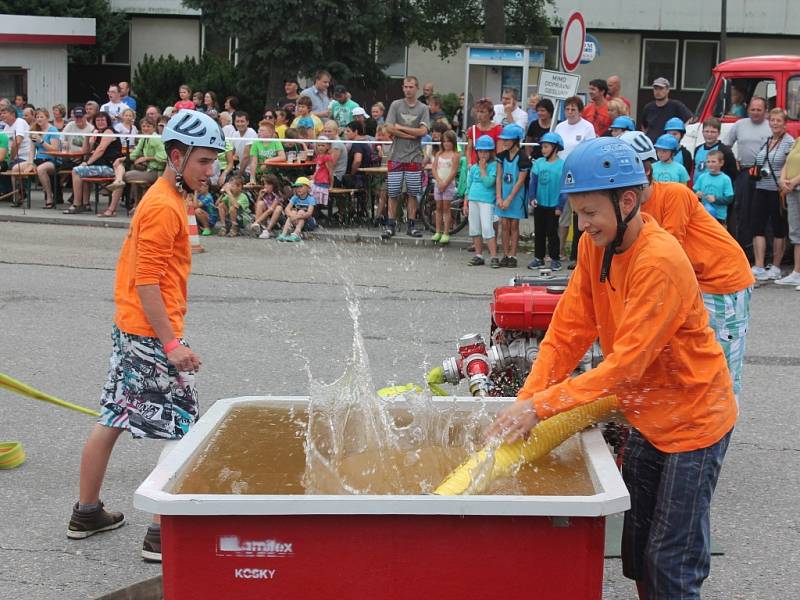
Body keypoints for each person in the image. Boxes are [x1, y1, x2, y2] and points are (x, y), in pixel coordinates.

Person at [489, 136, 737, 600]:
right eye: (576, 214)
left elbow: (625, 366)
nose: (581, 226)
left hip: (694, 422)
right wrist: (526, 401)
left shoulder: (659, 260)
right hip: (648, 412)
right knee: (640, 551)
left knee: (672, 561)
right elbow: (567, 333)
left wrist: (541, 408)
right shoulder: (595, 247)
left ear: (627, 201)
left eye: (589, 214)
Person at [67, 110, 224, 562]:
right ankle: (160, 535)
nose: (210, 171)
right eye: (203, 162)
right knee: (183, 429)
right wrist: (172, 345)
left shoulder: (169, 198)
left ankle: (87, 512)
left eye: (212, 162)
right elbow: (147, 282)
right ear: (177, 156)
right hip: (152, 335)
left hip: (133, 328)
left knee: (114, 416)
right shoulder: (161, 206)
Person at [622, 130, 754, 402]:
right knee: (687, 362)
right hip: (693, 283)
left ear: (646, 170)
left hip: (721, 281)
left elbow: (670, 254)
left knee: (720, 369)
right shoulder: (631, 211)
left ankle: (718, 433)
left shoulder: (675, 195)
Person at [381, 76, 430, 239]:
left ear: (417, 88)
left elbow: (423, 131)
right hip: (396, 156)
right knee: (393, 192)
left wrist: (401, 128)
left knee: (412, 193)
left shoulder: (423, 108)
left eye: (411, 87)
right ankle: (390, 225)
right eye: (405, 87)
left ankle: (411, 225)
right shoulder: (396, 105)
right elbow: (389, 128)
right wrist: (410, 134)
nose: (408, 89)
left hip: (414, 157)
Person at [751, 108, 794, 281]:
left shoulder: (789, 142)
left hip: (777, 191)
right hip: (761, 188)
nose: (775, 123)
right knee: (757, 227)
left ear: (785, 124)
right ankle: (759, 265)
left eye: (778, 121)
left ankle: (776, 267)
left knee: (778, 229)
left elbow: (789, 166)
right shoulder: (767, 140)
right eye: (773, 120)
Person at [723, 97, 771, 249]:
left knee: (764, 212)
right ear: (748, 109)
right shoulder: (739, 125)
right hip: (744, 172)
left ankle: (765, 253)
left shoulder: (771, 125)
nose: (755, 113)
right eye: (753, 109)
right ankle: (744, 250)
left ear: (765, 111)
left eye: (759, 110)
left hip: (765, 174)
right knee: (743, 211)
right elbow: (725, 145)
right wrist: (734, 160)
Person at [554, 96, 596, 265]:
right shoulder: (560, 126)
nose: (570, 112)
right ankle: (560, 249)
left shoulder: (587, 127)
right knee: (562, 213)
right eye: (567, 109)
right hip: (561, 172)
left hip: (579, 173)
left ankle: (578, 252)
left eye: (573, 109)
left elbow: (590, 150)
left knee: (578, 213)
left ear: (580, 111)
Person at [105, 116, 167, 216]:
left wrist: (147, 158)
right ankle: (121, 185)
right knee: (120, 166)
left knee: (124, 176)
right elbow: (134, 155)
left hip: (156, 172)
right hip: (148, 170)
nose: (146, 128)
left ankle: (113, 207)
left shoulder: (156, 139)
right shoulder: (144, 138)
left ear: (154, 127)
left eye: (148, 126)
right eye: (143, 126)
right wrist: (121, 159)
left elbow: (164, 157)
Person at [63, 112, 122, 214]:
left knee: (76, 171)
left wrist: (87, 163)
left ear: (107, 121)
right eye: (98, 120)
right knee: (82, 172)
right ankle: (86, 204)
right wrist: (87, 137)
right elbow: (85, 151)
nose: (100, 122)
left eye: (102, 120)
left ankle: (77, 204)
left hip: (109, 166)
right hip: (98, 165)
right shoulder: (97, 133)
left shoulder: (109, 131)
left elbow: (100, 150)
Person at [527, 132, 565, 270]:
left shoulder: (562, 165)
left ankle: (555, 258)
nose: (543, 150)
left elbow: (564, 188)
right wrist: (532, 198)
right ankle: (539, 258)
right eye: (542, 147)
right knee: (539, 232)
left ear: (555, 148)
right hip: (540, 204)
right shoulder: (538, 163)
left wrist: (560, 205)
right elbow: (533, 183)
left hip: (554, 205)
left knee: (552, 232)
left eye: (546, 147)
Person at [495, 124, 530, 268]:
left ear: (516, 140)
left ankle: (513, 255)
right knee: (504, 224)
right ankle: (505, 254)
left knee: (514, 224)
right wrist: (499, 197)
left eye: (508, 140)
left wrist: (509, 199)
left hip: (517, 196)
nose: (504, 142)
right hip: (503, 194)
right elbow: (498, 177)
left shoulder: (523, 158)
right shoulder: (501, 156)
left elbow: (521, 181)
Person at [464, 135, 499, 267]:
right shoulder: (473, 168)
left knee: (487, 228)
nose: (483, 154)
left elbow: (489, 182)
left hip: (487, 201)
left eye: (486, 151)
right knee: (474, 228)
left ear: (491, 152)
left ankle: (494, 256)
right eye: (480, 151)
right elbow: (468, 186)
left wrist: (483, 169)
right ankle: (478, 255)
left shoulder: (494, 166)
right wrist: (465, 202)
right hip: (473, 199)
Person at [777, 136, 800, 288]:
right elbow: (787, 163)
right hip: (793, 191)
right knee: (796, 233)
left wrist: (793, 181)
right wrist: (782, 179)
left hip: (795, 186)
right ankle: (797, 272)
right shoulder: (797, 140)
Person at [430, 130, 460, 245]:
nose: (446, 144)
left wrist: (445, 183)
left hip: (448, 184)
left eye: (449, 141)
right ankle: (438, 231)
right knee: (438, 207)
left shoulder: (455, 155)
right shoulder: (439, 154)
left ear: (453, 142)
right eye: (444, 141)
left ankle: (446, 232)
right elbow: (434, 168)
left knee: (446, 208)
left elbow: (453, 171)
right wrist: (438, 181)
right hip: (438, 183)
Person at [641, 77, 692, 142]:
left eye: (661, 89)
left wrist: (681, 136)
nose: (658, 91)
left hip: (669, 146)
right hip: (651, 146)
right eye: (656, 89)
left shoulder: (676, 105)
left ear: (668, 90)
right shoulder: (648, 107)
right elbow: (644, 126)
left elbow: (690, 119)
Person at [29, 109, 61, 209]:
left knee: (41, 169)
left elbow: (54, 149)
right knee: (17, 168)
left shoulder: (52, 130)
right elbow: (32, 150)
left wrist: (41, 141)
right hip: (38, 159)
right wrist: (30, 163)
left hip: (52, 160)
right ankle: (18, 197)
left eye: (41, 117)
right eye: (37, 117)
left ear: (47, 118)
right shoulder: (35, 130)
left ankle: (49, 198)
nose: (39, 119)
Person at [693, 151, 734, 225]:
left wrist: (716, 199)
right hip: (703, 213)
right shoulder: (702, 177)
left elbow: (730, 198)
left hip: (719, 216)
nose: (710, 164)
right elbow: (695, 190)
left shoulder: (725, 179)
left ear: (721, 163)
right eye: (708, 162)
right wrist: (696, 193)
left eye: (713, 162)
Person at [693, 117, 737, 182]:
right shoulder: (698, 149)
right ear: (702, 132)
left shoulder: (725, 151)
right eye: (706, 131)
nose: (709, 134)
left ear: (719, 133)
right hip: (698, 190)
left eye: (713, 132)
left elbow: (732, 173)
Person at [466, 98, 503, 165]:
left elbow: (499, 152)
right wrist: (469, 163)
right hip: (475, 166)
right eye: (478, 111)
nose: (479, 115)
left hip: (491, 166)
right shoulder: (473, 129)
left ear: (491, 113)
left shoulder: (498, 129)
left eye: (482, 112)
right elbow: (469, 150)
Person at [278, 176, 316, 241]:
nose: (298, 189)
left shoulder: (311, 199)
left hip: (308, 223)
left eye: (301, 186)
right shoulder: (295, 197)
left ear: (308, 188)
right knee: (292, 212)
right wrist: (292, 215)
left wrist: (296, 217)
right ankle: (284, 233)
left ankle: (296, 234)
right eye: (297, 187)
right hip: (296, 221)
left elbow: (309, 213)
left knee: (301, 212)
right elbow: (287, 209)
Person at [248, 119, 286, 184]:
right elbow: (253, 162)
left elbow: (283, 157)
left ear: (270, 132)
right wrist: (252, 178)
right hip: (260, 173)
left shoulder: (276, 142)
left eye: (262, 130)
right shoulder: (256, 143)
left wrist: (267, 161)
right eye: (259, 130)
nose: (259, 132)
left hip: (274, 174)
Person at [251, 173, 285, 239]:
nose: (266, 186)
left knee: (278, 208)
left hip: (277, 217)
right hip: (265, 216)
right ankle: (259, 227)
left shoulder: (278, 194)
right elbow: (256, 208)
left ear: (274, 185)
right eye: (265, 184)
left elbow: (271, 209)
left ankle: (267, 230)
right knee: (260, 203)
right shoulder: (264, 194)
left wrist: (257, 221)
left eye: (268, 184)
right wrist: (259, 197)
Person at [229, 111, 257, 177]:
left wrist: (239, 175)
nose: (240, 124)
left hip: (250, 171)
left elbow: (246, 157)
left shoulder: (251, 132)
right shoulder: (235, 134)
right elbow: (230, 152)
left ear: (247, 122)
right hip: (239, 169)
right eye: (237, 121)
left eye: (242, 121)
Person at [310, 134, 334, 208]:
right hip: (317, 180)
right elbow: (318, 169)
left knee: (313, 200)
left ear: (328, 146)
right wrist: (313, 177)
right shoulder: (319, 156)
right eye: (319, 145)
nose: (320, 147)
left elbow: (331, 172)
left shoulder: (327, 157)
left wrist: (331, 185)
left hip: (323, 182)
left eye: (323, 145)